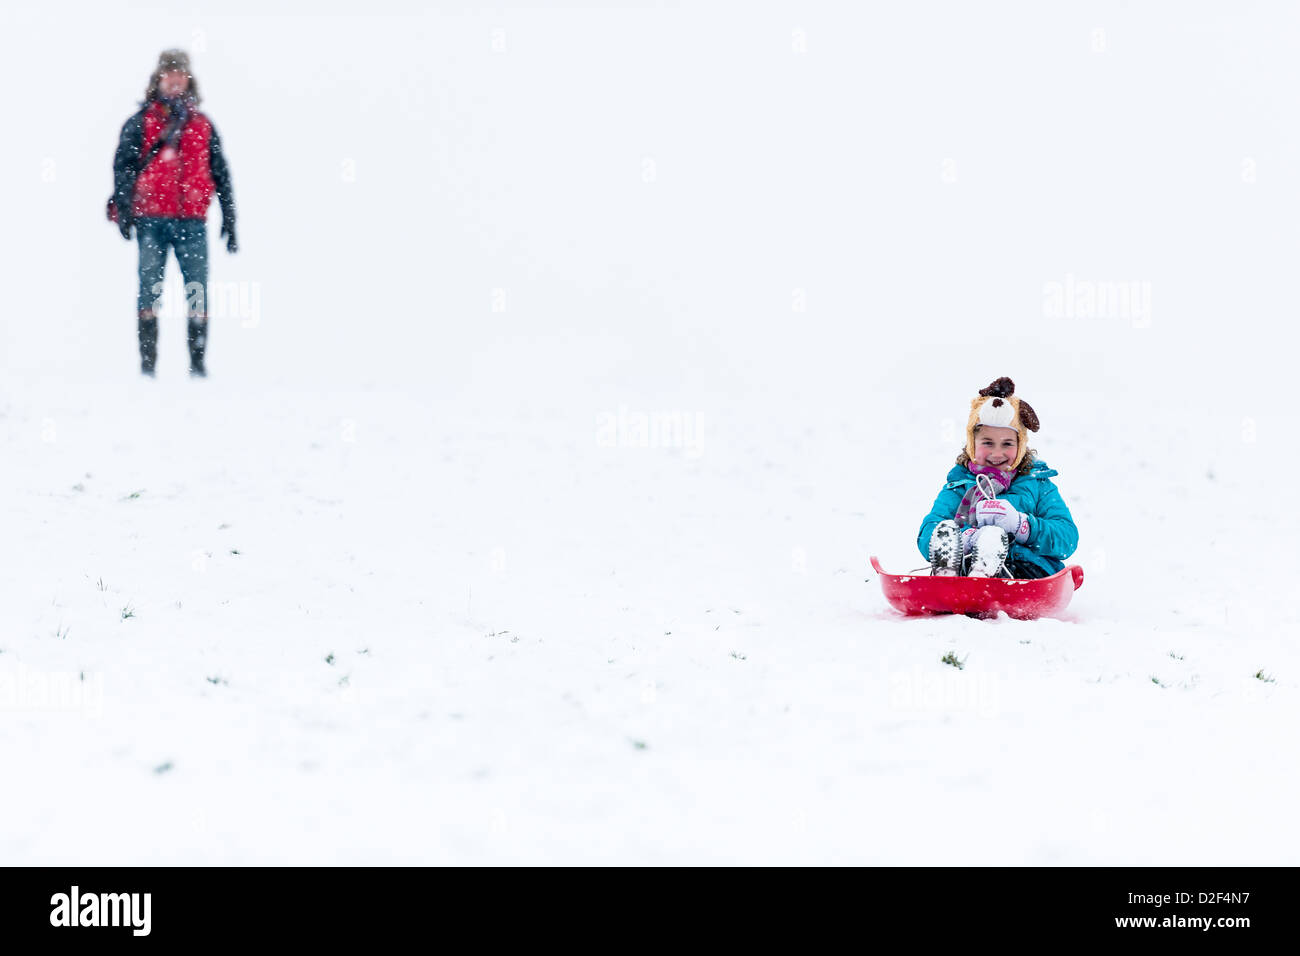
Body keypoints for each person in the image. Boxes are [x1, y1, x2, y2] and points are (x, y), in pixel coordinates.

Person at [111, 49, 236, 377]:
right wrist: (125, 210)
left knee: (197, 292)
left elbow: (221, 173)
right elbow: (123, 168)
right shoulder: (140, 123)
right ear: (159, 79)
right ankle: (148, 368)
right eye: (169, 73)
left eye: (180, 73)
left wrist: (230, 218)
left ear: (189, 79)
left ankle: (197, 366)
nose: (175, 78)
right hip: (151, 221)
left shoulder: (203, 126)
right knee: (149, 290)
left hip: (192, 223)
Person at [918, 377, 1078, 578]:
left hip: (1026, 569)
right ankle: (950, 574)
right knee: (948, 534)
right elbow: (928, 532)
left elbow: (1067, 538)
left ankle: (984, 574)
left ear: (1020, 447)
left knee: (995, 540)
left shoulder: (1038, 483)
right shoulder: (958, 484)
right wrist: (968, 538)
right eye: (988, 442)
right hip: (966, 569)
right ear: (972, 444)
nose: (997, 453)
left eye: (1007, 444)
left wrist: (1023, 526)